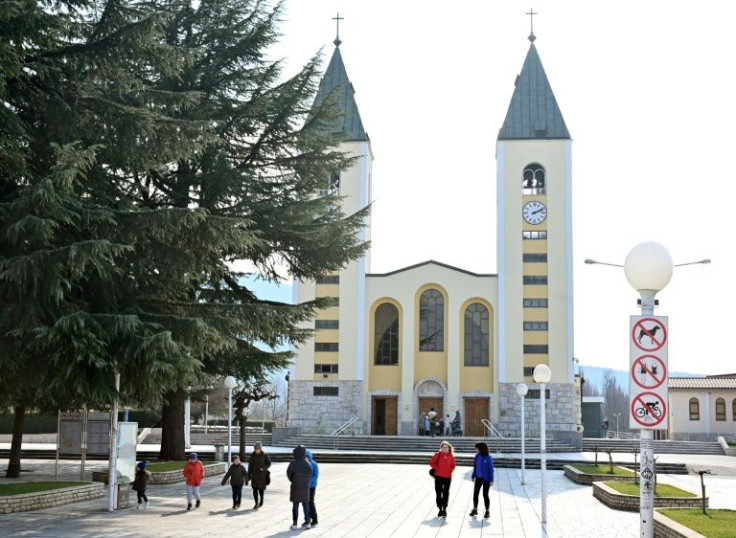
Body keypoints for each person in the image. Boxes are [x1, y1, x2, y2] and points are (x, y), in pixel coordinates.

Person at [286, 445, 313, 530]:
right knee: (306, 505)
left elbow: (289, 473)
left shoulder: (293, 463)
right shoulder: (307, 464)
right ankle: (308, 522)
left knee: (295, 506)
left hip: (295, 486)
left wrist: (293, 480)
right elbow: (310, 474)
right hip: (305, 487)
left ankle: (294, 523)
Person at [429, 440, 456, 518]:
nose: (445, 449)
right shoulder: (437, 454)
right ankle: (440, 509)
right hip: (438, 476)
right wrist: (437, 468)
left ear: (449, 448)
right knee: (438, 493)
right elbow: (431, 462)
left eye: (446, 447)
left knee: (446, 493)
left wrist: (450, 470)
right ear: (441, 448)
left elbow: (453, 465)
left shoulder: (451, 456)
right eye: (443, 447)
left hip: (447, 477)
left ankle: (444, 509)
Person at [469, 442, 494, 519]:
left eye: (476, 448)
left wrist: (491, 480)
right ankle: (475, 509)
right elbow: (475, 467)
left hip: (486, 480)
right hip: (478, 479)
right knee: (475, 494)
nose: (475, 449)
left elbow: (491, 470)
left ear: (481, 448)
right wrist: (473, 475)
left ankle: (487, 511)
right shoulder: (477, 456)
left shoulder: (488, 457)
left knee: (485, 495)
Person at [248, 441, 272, 509]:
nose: (256, 450)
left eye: (257, 449)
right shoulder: (252, 455)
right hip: (254, 475)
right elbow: (250, 466)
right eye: (255, 449)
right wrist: (249, 475)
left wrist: (263, 468)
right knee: (255, 489)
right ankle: (256, 503)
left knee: (261, 490)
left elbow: (269, 463)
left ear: (260, 449)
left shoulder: (264, 455)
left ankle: (261, 500)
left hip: (262, 476)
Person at [305, 449, 320, 528]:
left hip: (311, 486)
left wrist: (309, 482)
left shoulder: (314, 464)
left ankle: (314, 520)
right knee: (305, 503)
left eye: (306, 457)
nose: (305, 458)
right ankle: (307, 519)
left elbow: (315, 476)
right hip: (304, 486)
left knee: (310, 502)